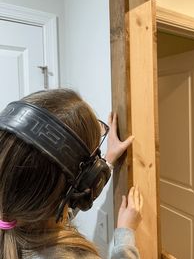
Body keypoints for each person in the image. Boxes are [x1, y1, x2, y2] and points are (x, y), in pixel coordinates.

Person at [0, 89, 143, 259]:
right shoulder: (75, 256)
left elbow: (58, 208)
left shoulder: (16, 223)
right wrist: (125, 235)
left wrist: (108, 159)